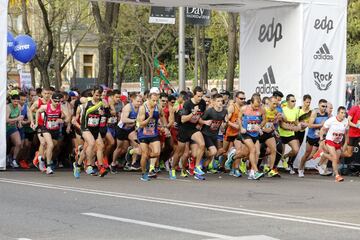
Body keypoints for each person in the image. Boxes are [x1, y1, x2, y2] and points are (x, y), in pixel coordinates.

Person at [171, 86, 206, 180]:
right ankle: (173, 169)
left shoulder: (203, 103)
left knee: (202, 144)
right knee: (180, 152)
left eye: (201, 96)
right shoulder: (187, 104)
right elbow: (183, 120)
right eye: (198, 96)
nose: (200, 98)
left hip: (193, 129)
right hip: (183, 129)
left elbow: (201, 116)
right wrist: (193, 113)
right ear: (194, 95)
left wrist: (201, 123)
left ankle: (197, 167)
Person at [34, 92, 71, 174]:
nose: (57, 103)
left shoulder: (61, 108)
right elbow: (37, 112)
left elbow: (68, 117)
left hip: (55, 130)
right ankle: (49, 166)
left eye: (59, 101)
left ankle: (42, 158)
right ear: (51, 100)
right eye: (55, 101)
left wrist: (63, 120)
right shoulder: (45, 107)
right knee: (50, 144)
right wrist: (36, 123)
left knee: (52, 146)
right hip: (46, 129)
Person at [137, 87, 165, 181]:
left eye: (157, 100)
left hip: (153, 133)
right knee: (145, 154)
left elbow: (162, 116)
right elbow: (141, 124)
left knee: (157, 152)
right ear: (149, 98)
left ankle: (144, 158)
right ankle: (144, 173)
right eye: (153, 100)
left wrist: (165, 127)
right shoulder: (142, 108)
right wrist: (150, 117)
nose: (155, 102)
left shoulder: (159, 106)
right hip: (143, 134)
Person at [313, 107, 348, 182]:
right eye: (342, 113)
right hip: (330, 141)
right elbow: (322, 129)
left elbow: (346, 133)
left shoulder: (346, 121)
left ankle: (322, 154)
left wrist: (345, 143)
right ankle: (337, 175)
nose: (343, 114)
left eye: (344, 113)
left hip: (338, 142)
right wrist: (322, 139)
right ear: (338, 113)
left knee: (336, 160)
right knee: (334, 157)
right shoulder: (331, 120)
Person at [237, 93, 266, 180]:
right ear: (251, 103)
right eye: (255, 106)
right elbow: (238, 118)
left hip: (255, 134)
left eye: (258, 106)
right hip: (245, 133)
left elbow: (265, 120)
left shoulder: (262, 109)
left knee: (257, 153)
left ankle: (251, 172)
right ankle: (256, 171)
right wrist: (241, 127)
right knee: (252, 149)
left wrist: (260, 126)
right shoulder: (244, 108)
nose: (257, 108)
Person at [199, 94, 227, 176]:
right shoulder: (209, 111)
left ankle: (204, 167)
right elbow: (200, 120)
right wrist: (205, 122)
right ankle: (202, 157)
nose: (220, 103)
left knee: (214, 153)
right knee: (214, 151)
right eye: (218, 101)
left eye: (221, 101)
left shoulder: (224, 111)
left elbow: (223, 121)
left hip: (215, 134)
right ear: (213, 102)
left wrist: (223, 126)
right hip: (206, 134)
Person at [298, 99, 329, 177]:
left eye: (325, 106)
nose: (324, 108)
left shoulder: (326, 114)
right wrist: (320, 125)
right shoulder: (315, 113)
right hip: (311, 136)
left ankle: (319, 165)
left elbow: (326, 125)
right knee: (308, 153)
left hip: (320, 137)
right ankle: (300, 168)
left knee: (326, 150)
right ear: (319, 105)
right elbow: (310, 125)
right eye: (323, 106)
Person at [278, 94, 301, 174]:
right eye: (292, 101)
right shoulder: (282, 109)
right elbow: (281, 124)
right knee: (280, 152)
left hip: (290, 134)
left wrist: (299, 125)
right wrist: (292, 128)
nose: (294, 103)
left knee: (296, 150)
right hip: (281, 134)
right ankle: (273, 168)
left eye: (295, 101)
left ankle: (285, 157)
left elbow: (296, 121)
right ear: (287, 101)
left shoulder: (296, 110)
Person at [6, 94, 23, 168]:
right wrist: (17, 119)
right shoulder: (8, 107)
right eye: (14, 101)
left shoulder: (19, 107)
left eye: (17, 101)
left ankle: (14, 160)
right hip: (5, 128)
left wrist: (19, 123)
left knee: (19, 143)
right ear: (11, 100)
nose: (16, 103)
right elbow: (6, 120)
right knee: (5, 146)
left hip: (13, 128)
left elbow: (18, 117)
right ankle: (5, 158)